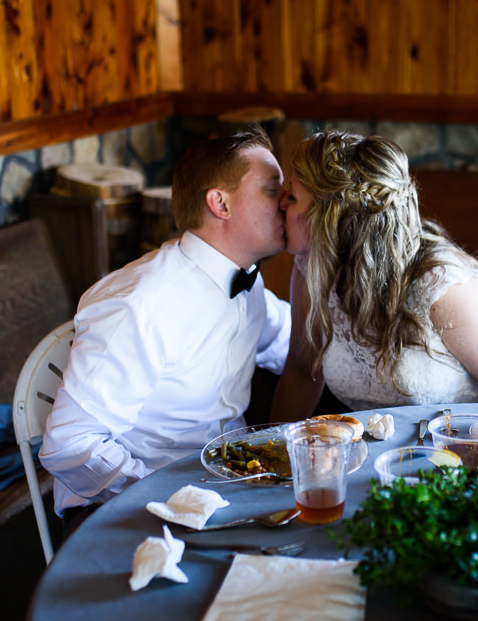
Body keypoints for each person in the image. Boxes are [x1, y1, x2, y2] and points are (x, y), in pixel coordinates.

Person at [40, 128, 291, 530]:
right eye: (271, 189)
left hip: (226, 486)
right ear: (220, 203)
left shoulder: (249, 283)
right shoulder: (138, 304)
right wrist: (169, 498)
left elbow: (294, 344)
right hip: (128, 505)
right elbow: (70, 445)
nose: (286, 202)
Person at [270, 130, 478, 418]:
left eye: (292, 196)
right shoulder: (311, 268)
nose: (281, 203)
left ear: (330, 214)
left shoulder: (439, 283)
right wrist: (272, 455)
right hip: (399, 459)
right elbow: (300, 371)